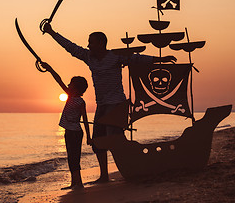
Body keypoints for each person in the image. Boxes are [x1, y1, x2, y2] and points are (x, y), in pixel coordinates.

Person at [43, 23, 177, 183]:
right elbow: (70, 47)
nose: (88, 45)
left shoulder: (116, 56)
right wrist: (51, 32)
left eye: (91, 42)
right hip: (102, 105)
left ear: (101, 43)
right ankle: (104, 175)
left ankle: (130, 169)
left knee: (113, 139)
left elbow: (137, 58)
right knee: (97, 142)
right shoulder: (89, 57)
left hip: (116, 104)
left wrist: (160, 60)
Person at [40, 61, 92, 189]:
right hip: (71, 131)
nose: (68, 85)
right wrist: (50, 68)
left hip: (74, 133)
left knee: (74, 158)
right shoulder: (72, 97)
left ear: (75, 88)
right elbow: (59, 80)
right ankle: (75, 182)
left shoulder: (78, 100)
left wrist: (89, 137)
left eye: (71, 84)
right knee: (71, 157)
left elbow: (85, 119)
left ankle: (78, 183)